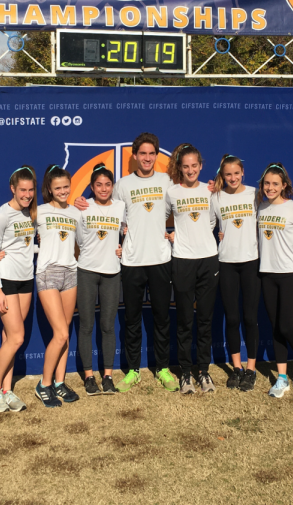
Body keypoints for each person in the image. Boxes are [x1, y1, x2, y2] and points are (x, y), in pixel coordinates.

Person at [76, 132, 176, 392]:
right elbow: (108, 215)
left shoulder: (167, 181)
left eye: (151, 153)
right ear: (134, 156)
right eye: (142, 153)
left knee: (161, 317)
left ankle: (163, 368)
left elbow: (186, 205)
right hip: (131, 261)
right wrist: (77, 203)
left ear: (157, 155)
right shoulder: (121, 185)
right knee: (131, 319)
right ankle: (133, 370)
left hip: (161, 258)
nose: (147, 158)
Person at [256, 162, 293, 398]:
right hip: (266, 274)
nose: (270, 187)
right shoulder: (259, 207)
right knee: (274, 328)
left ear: (284, 186)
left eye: (275, 184)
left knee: (287, 326)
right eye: (267, 183)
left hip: (289, 274)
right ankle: (281, 378)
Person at [166, 144, 219, 394]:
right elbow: (161, 219)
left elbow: (211, 221)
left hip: (208, 259)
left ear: (200, 165)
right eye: (185, 166)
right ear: (180, 168)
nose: (190, 170)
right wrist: (172, 235)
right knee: (185, 320)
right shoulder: (171, 192)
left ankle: (204, 371)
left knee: (205, 320)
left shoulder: (211, 191)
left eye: (194, 165)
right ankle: (186, 372)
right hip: (183, 260)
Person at [0, 166, 38, 413]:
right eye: (22, 190)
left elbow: (27, 246)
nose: (27, 194)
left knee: (10, 338)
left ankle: (7, 391)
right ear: (13, 189)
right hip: (6, 282)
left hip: (26, 281)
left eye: (30, 190)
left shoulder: (31, 214)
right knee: (17, 337)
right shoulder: (1, 216)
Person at [33, 165, 83, 408]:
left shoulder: (76, 213)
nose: (63, 191)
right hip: (47, 274)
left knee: (66, 332)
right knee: (60, 333)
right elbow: (20, 237)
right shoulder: (39, 212)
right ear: (49, 190)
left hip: (70, 273)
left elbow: (82, 243)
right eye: (58, 188)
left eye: (66, 186)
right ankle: (44, 384)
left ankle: (60, 383)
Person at [210, 155, 260, 392]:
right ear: (222, 175)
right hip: (227, 263)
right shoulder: (216, 197)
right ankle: (236, 368)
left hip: (251, 262)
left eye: (236, 173)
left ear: (243, 172)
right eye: (227, 174)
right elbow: (207, 225)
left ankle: (251, 369)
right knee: (232, 318)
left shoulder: (255, 194)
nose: (232, 178)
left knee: (250, 318)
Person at [75, 163, 125, 396]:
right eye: (98, 185)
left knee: (107, 326)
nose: (103, 189)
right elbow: (76, 240)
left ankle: (107, 376)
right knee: (86, 326)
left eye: (107, 184)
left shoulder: (121, 207)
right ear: (92, 187)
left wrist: (123, 249)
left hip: (112, 273)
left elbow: (129, 233)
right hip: (86, 271)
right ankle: (88, 377)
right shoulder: (82, 207)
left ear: (112, 186)